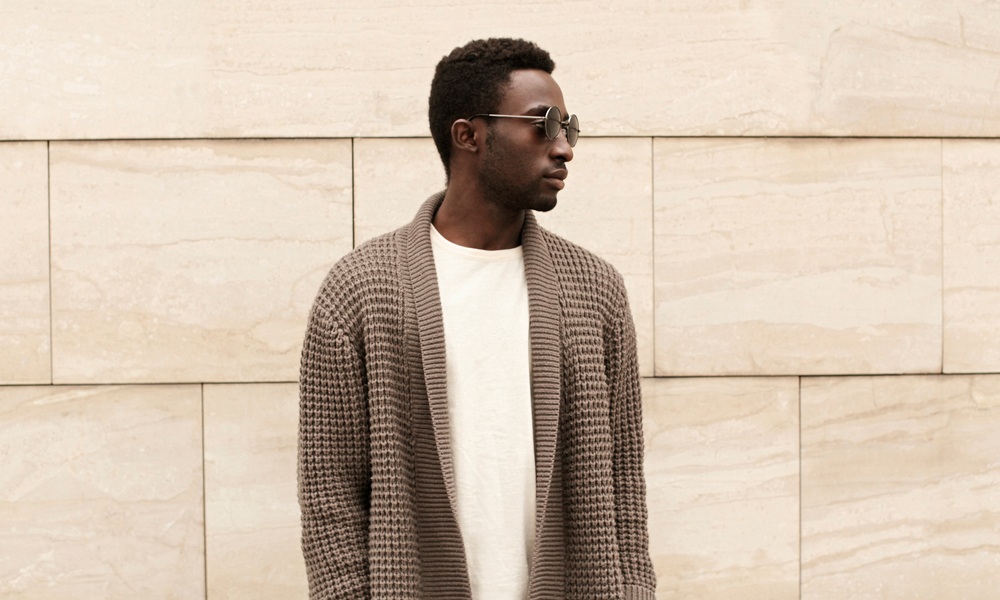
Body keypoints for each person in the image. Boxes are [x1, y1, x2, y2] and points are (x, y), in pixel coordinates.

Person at [298, 37, 656, 600]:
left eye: (570, 127)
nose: (564, 148)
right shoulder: (362, 291)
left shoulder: (595, 291)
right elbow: (330, 497)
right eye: (544, 124)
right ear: (468, 135)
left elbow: (624, 485)